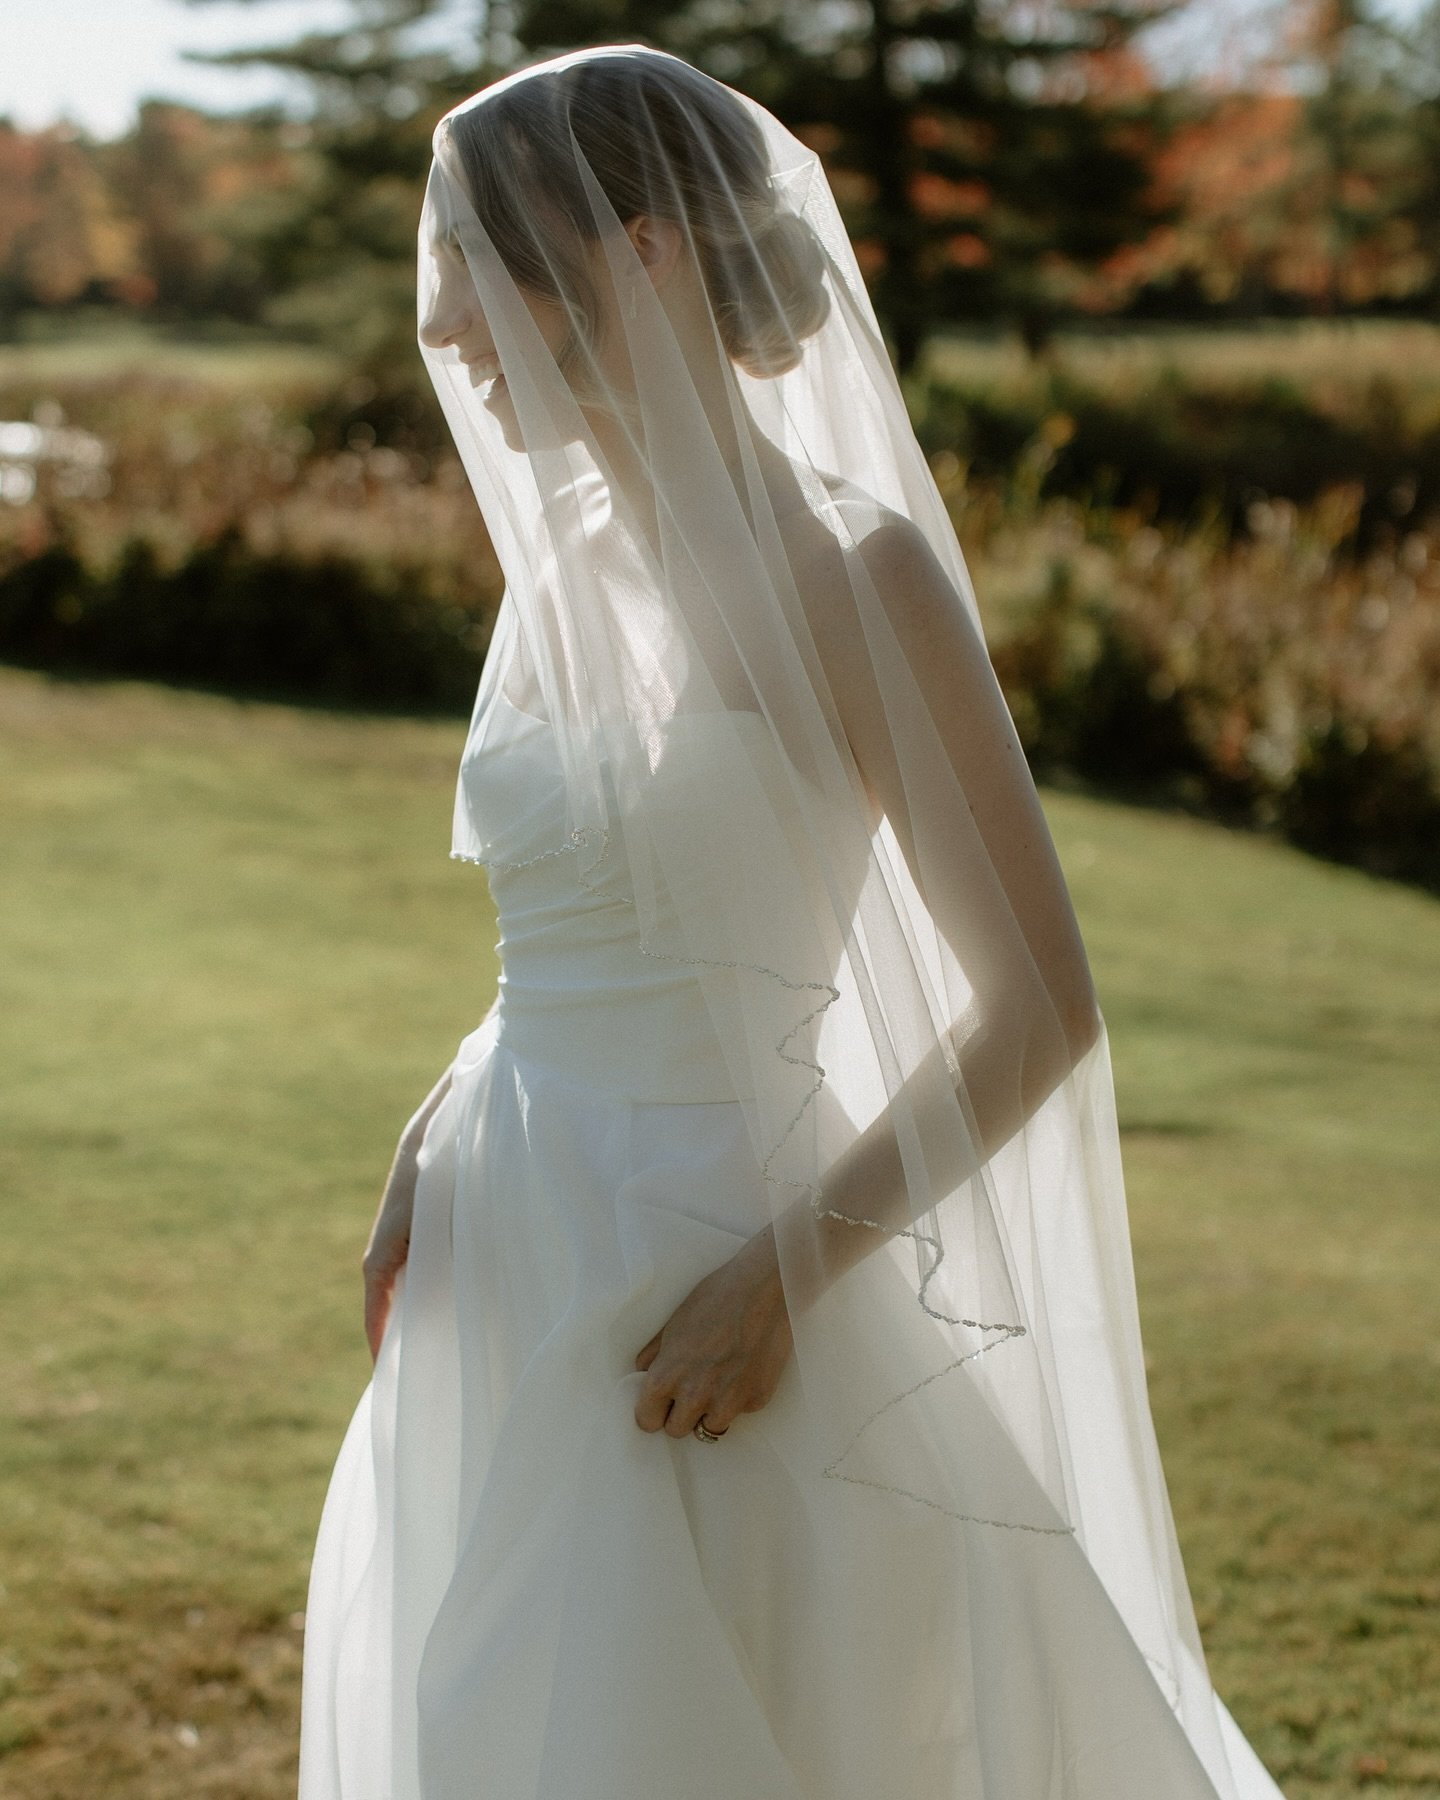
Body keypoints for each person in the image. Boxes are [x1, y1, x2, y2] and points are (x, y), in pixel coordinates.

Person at [297, 42, 1289, 1800]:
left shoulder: (855, 578)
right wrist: (434, 1121)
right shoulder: (559, 580)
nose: (456, 344)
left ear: (648, 250)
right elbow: (568, 932)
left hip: (724, 1258)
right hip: (506, 1235)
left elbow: (1041, 1004)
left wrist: (777, 1282)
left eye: (489, 294)